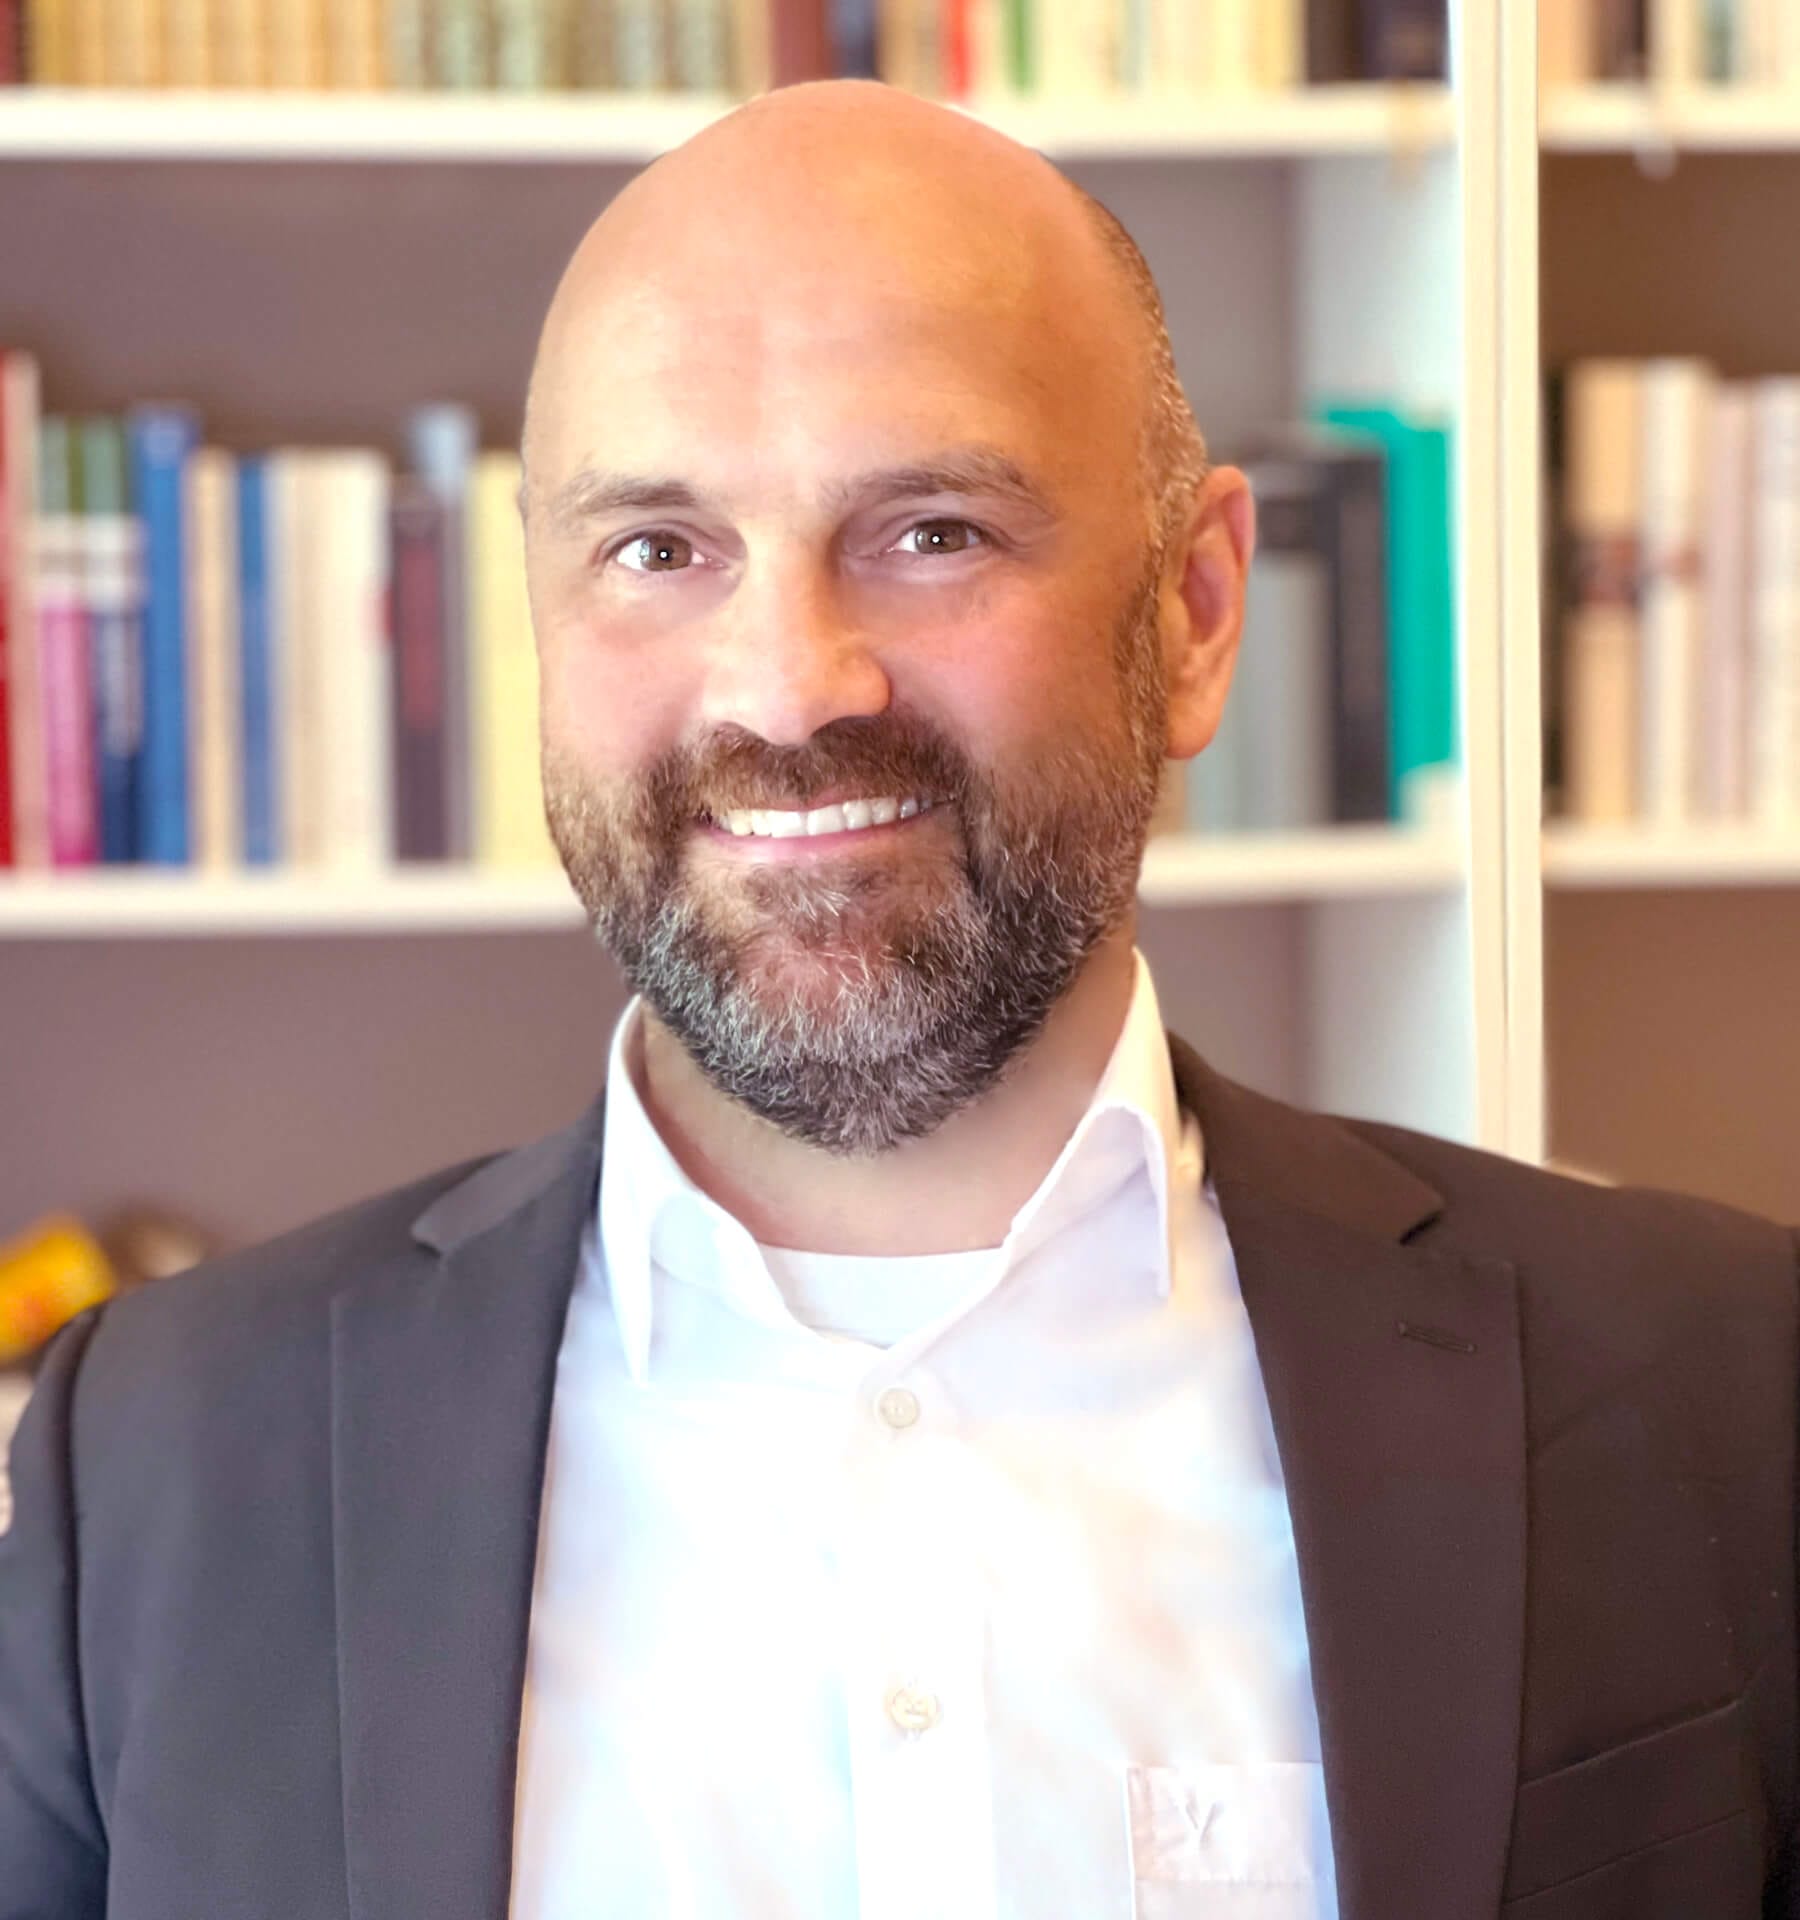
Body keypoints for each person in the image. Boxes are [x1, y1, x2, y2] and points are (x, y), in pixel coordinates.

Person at [1, 77, 1795, 1920]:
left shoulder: (1722, 1391)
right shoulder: (153, 1462)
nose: (789, 687)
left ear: (1191, 614)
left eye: (931, 528)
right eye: (657, 548)